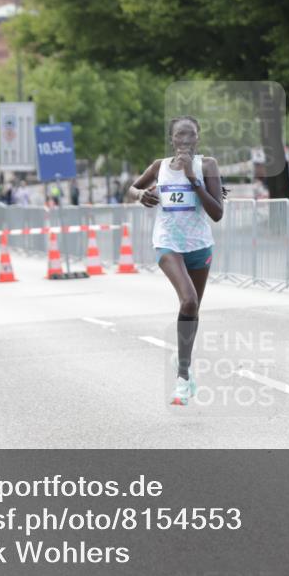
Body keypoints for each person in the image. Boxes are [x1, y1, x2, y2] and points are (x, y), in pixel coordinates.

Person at [128, 116, 225, 406]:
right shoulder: (159, 167)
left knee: (194, 309)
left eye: (190, 135)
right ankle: (182, 378)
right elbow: (132, 188)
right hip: (168, 243)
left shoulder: (207, 166)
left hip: (199, 245)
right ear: (172, 140)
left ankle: (183, 364)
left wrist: (194, 181)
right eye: (179, 136)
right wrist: (140, 195)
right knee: (189, 301)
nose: (185, 140)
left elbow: (217, 213)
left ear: (197, 138)